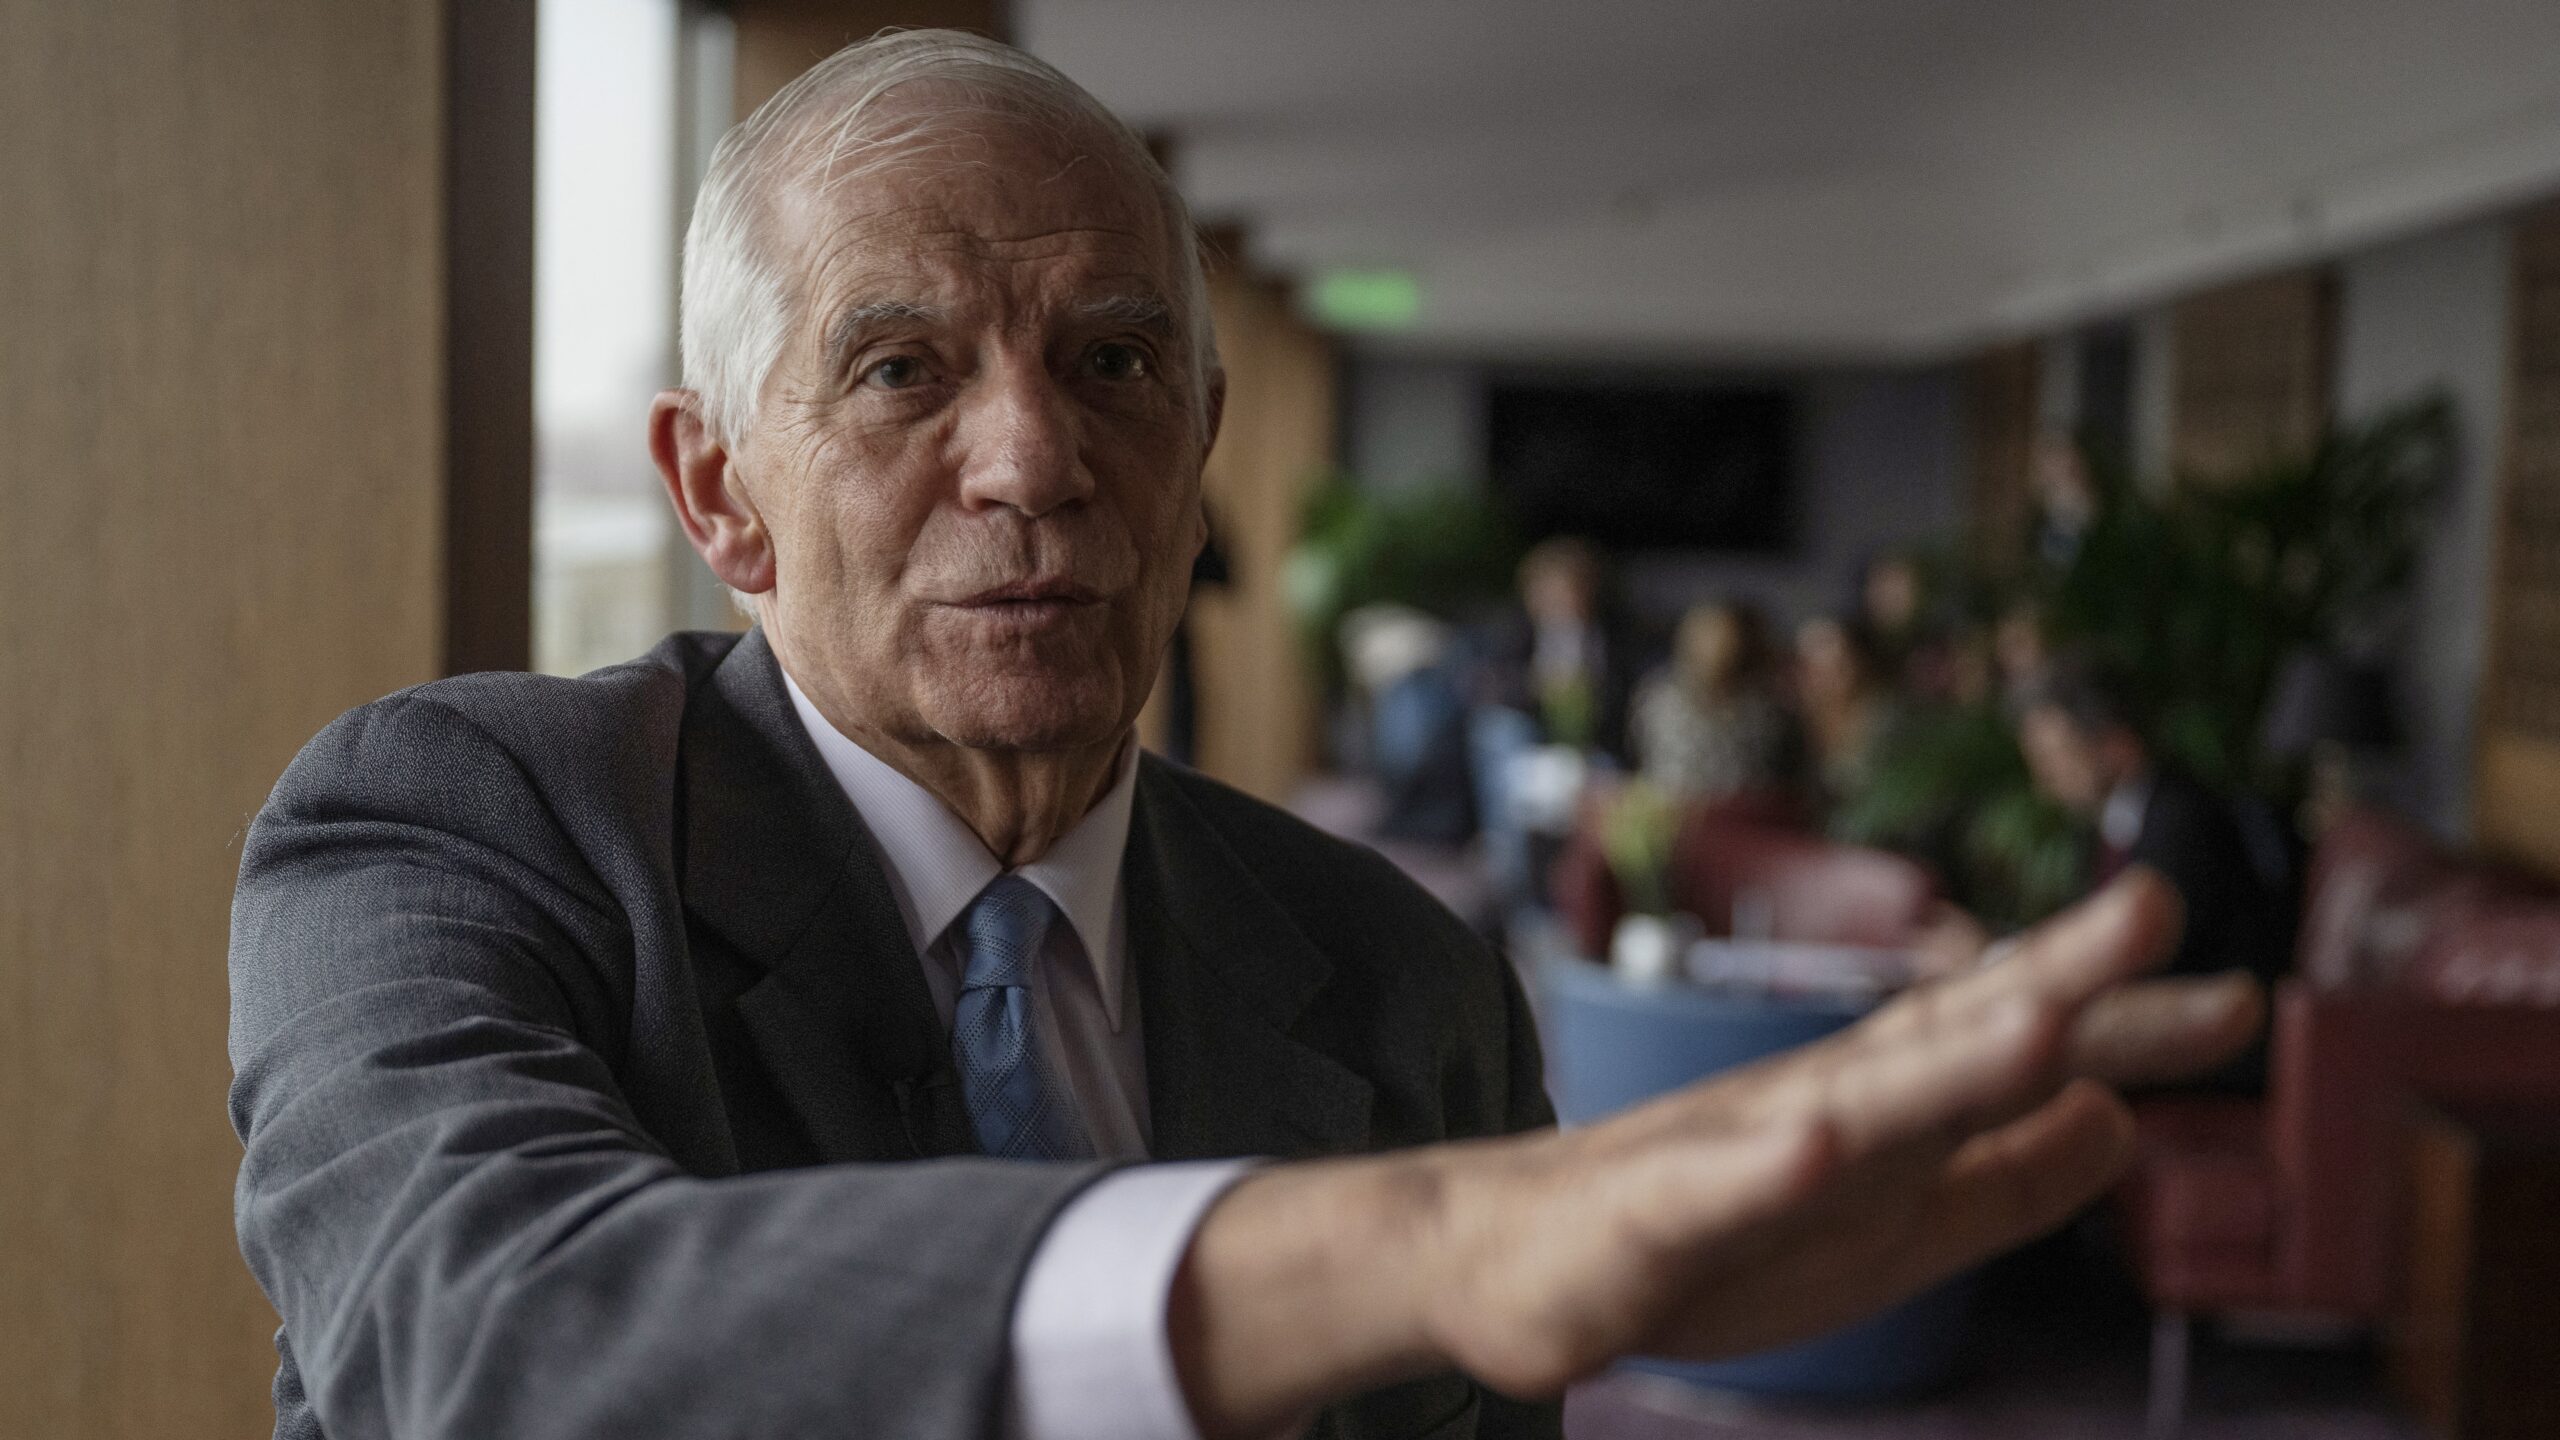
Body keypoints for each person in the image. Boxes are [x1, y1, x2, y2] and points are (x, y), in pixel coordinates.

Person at [226, 31, 2263, 1440]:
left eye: (1113, 362)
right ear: (714, 492)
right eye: (902, 368)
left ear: (1199, 452)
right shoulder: (454, 826)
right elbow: (475, 1345)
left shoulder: (1400, 978)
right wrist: (1418, 1241)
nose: (1030, 457)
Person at [1631, 601, 1799, 804]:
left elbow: (1766, 774)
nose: (1717, 648)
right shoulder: (1657, 699)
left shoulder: (1761, 710)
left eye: (1726, 638)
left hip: (1739, 818)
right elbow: (1641, 758)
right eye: (1707, 637)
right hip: (1673, 813)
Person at [1795, 613, 1903, 809]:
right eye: (1814, 667)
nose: (1825, 676)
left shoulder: (1887, 720)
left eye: (1839, 665)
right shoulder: (1798, 719)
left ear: (1863, 662)